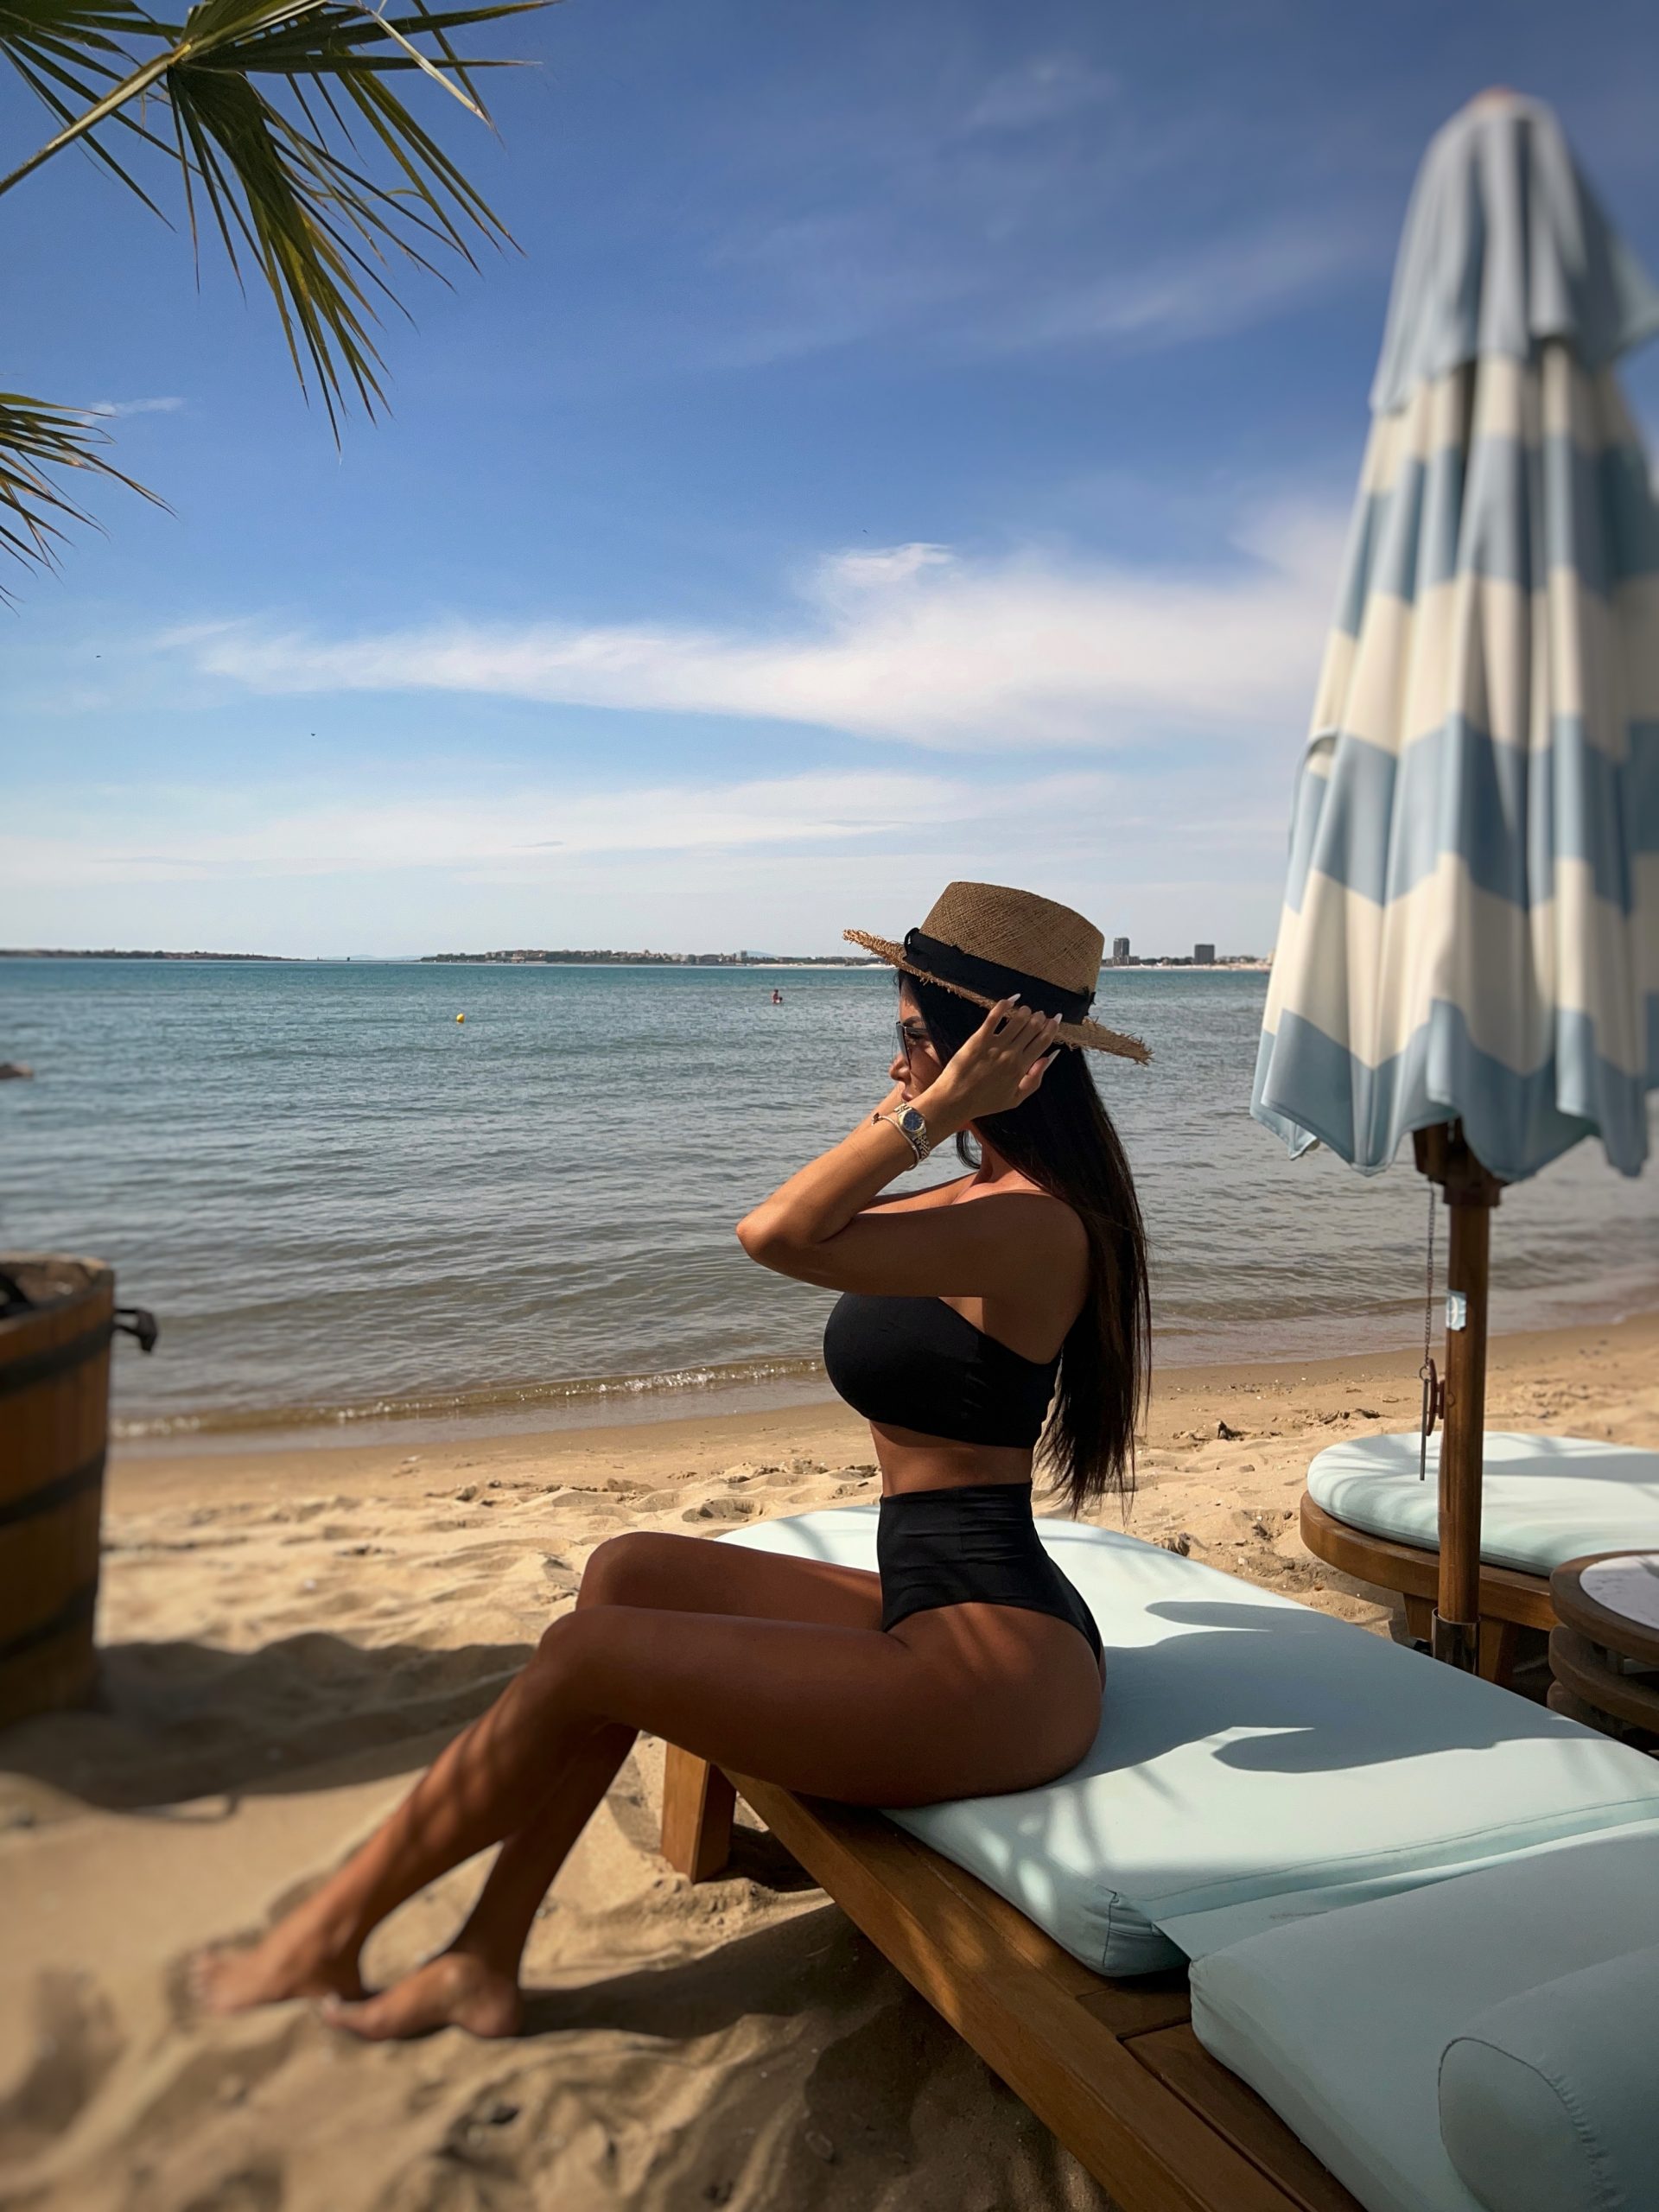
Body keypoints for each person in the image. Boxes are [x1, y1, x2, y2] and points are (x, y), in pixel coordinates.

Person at [192, 881, 1150, 2040]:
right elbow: (810, 1222)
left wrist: (934, 1109)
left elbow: (775, 1233)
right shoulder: (982, 1198)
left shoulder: (1033, 1222)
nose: (896, 1063)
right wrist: (930, 1109)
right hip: (936, 1598)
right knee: (629, 1569)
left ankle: (321, 1939)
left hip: (999, 1672)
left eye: (913, 1036)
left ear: (991, 1052)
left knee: (587, 1656)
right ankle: (483, 1954)